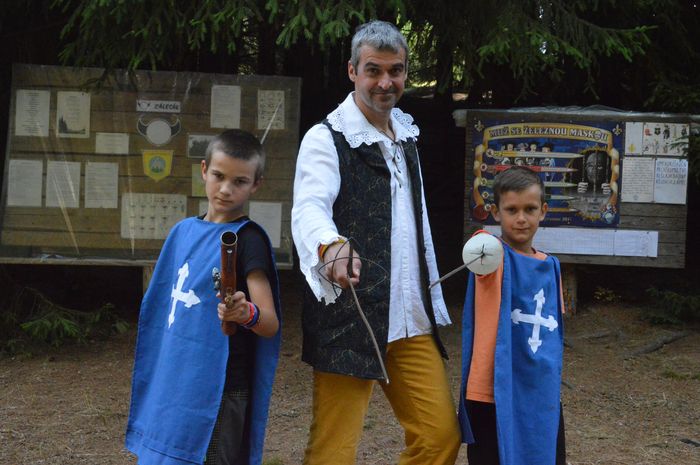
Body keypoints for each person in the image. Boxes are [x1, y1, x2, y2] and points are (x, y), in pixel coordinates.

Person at [291, 19, 461, 465]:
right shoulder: (325, 139)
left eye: (395, 70)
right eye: (374, 70)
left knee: (440, 438)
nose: (386, 82)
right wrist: (330, 245)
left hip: (408, 317)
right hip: (352, 317)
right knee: (333, 454)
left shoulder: (406, 136)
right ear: (353, 71)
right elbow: (309, 207)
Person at [125, 129, 281, 465]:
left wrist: (246, 314)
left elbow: (269, 323)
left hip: (219, 390)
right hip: (175, 380)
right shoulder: (182, 232)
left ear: (256, 185)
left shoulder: (248, 240)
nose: (225, 189)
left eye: (239, 181)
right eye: (219, 176)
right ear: (204, 170)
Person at [458, 165, 566, 465]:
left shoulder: (551, 266)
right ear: (496, 212)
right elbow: (479, 245)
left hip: (537, 388)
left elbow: (551, 331)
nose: (521, 218)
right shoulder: (491, 257)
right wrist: (482, 240)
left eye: (530, 209)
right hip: (490, 389)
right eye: (511, 210)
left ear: (543, 211)